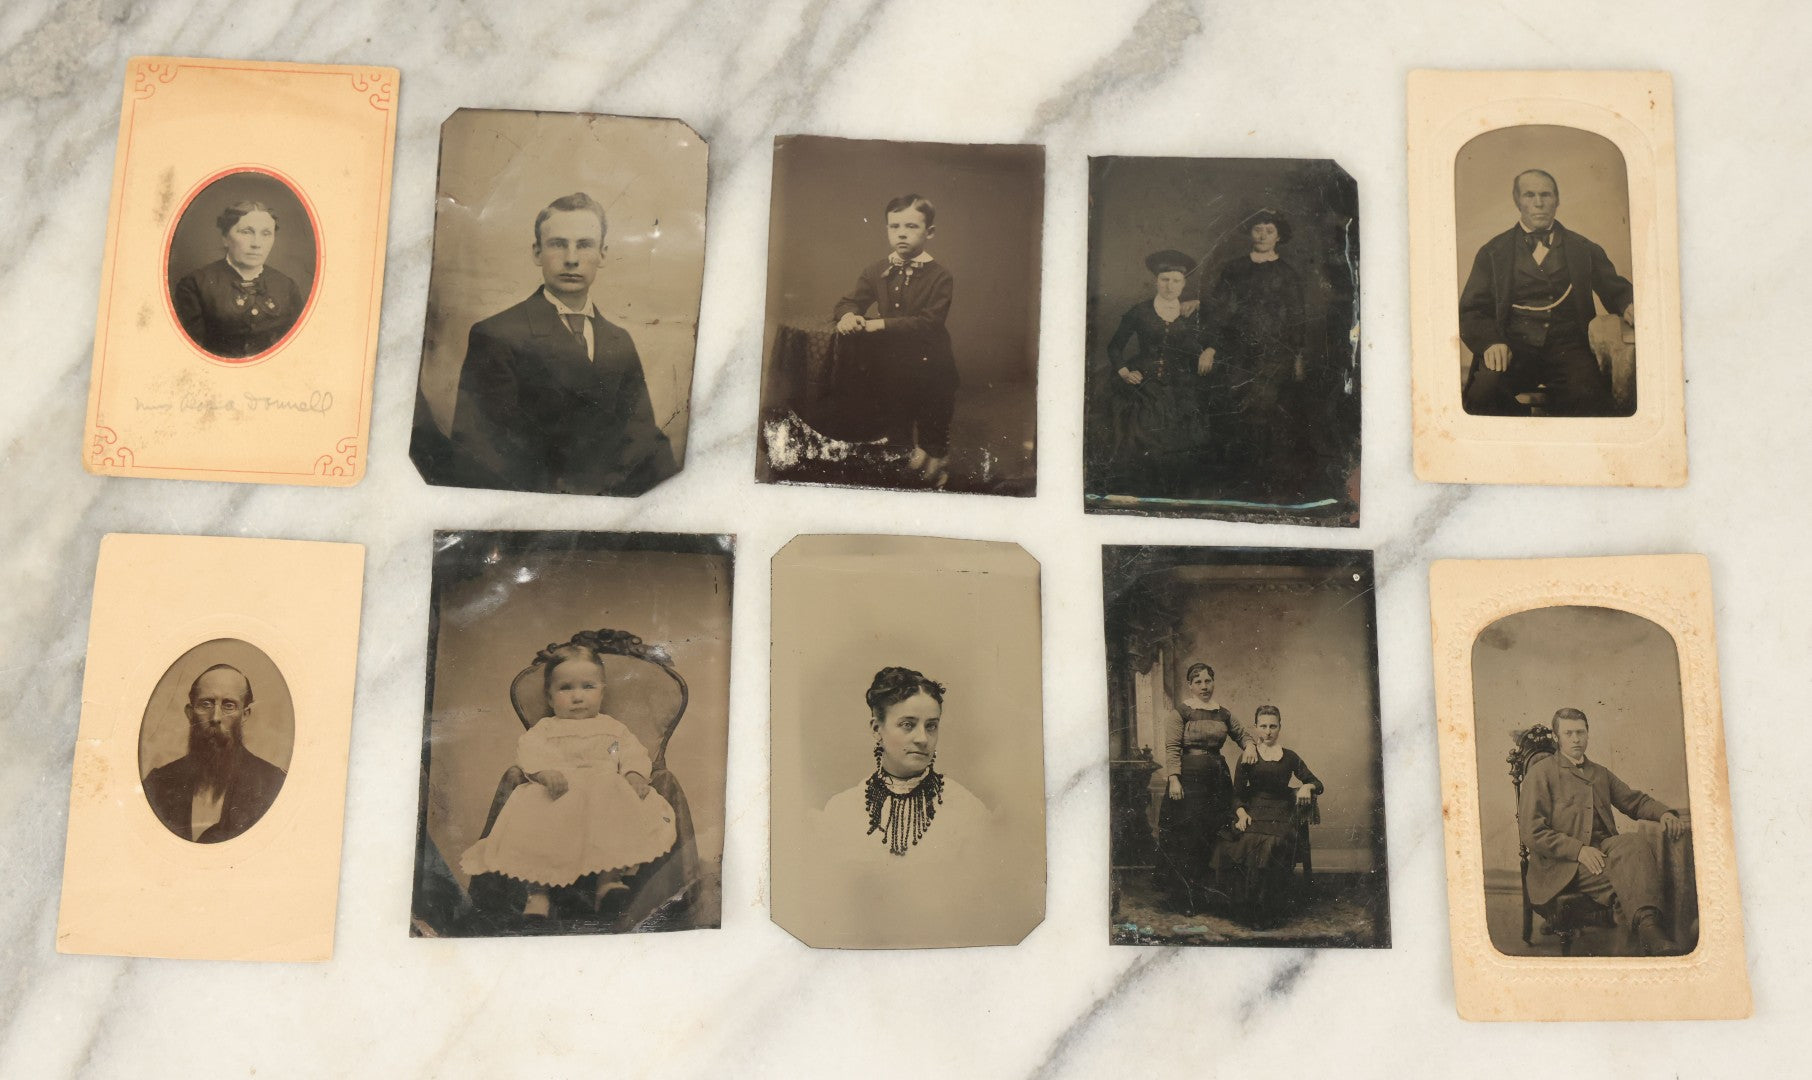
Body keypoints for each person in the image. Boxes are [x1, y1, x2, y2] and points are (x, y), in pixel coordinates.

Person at [445, 192, 679, 495]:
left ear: (603, 254)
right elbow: (481, 452)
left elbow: (644, 442)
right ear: (536, 252)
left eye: (584, 245)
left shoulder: (618, 340)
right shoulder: (497, 335)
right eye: (558, 244)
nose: (571, 258)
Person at [460, 644, 678, 918]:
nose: (577, 697)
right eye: (565, 688)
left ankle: (608, 882)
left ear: (602, 691)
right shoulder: (546, 729)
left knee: (615, 818)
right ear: (550, 698)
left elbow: (632, 753)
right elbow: (530, 752)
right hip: (558, 793)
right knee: (535, 830)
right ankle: (537, 894)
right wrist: (543, 772)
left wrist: (634, 775)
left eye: (588, 687)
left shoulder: (612, 728)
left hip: (601, 795)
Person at [1459, 169, 1635, 416]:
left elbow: (1614, 287)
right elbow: (1471, 310)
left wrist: (1629, 304)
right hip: (1511, 347)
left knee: (1591, 398)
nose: (1539, 203)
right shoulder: (1493, 251)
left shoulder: (1582, 248)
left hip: (1568, 349)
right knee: (1484, 395)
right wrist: (1491, 341)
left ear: (1557, 200)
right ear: (1517, 201)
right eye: (1529, 195)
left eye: (1546, 195)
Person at [1520, 707, 1688, 955]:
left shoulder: (1599, 773)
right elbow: (1532, 832)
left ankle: (1646, 932)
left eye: (1581, 732)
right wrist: (1578, 850)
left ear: (1588, 734)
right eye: (1568, 734)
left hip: (1602, 851)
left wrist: (1664, 813)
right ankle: (1650, 931)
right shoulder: (1540, 774)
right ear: (1557, 738)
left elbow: (1634, 801)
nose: (1576, 739)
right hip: (1561, 864)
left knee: (1635, 843)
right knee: (1628, 878)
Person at [823, 194, 959, 488]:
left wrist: (877, 324)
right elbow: (849, 302)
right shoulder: (875, 271)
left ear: (929, 233)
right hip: (891, 367)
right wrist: (848, 316)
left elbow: (928, 323)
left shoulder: (940, 277)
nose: (901, 233)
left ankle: (935, 484)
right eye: (894, 226)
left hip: (932, 368)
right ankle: (902, 486)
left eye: (911, 226)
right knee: (896, 426)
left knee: (933, 428)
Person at [819, 666, 989, 860]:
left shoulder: (965, 810)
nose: (923, 739)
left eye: (931, 726)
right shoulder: (843, 811)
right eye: (907, 725)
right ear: (877, 729)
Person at [1199, 210, 1308, 484]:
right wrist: (1211, 346)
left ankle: (1261, 476)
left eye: (1269, 230)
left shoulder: (1288, 274)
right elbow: (1218, 309)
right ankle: (1233, 476)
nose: (1262, 235)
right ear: (1250, 233)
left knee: (1264, 408)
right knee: (1234, 406)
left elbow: (1296, 317)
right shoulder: (1233, 269)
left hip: (1274, 354)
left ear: (1279, 236)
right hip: (1235, 351)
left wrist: (1296, 355)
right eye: (1258, 229)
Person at [1102, 249, 1215, 494]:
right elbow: (1115, 347)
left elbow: (1213, 336)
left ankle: (1173, 494)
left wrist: (1210, 351)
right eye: (1165, 280)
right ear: (1156, 281)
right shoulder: (1140, 311)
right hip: (1144, 383)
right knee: (1144, 432)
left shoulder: (1191, 312)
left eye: (1176, 281)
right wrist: (1124, 372)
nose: (1170, 286)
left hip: (1181, 385)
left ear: (1184, 283)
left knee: (1183, 439)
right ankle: (1145, 491)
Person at [142, 664, 287, 843]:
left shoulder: (271, 784)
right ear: (190, 713)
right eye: (206, 704)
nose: (216, 717)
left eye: (228, 705)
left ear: (245, 715)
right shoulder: (158, 784)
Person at [1156, 662, 1258, 913]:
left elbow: (1243, 734)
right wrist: (1174, 778)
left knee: (1213, 835)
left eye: (1208, 681)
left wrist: (1251, 746)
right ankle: (1186, 898)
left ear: (1213, 683)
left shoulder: (1223, 713)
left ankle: (1211, 895)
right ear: (1190, 685)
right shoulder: (1181, 712)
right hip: (1189, 783)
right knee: (1191, 838)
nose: (1204, 686)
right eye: (1198, 681)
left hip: (1216, 781)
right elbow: (1172, 748)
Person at [1212, 705, 1323, 926]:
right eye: (1263, 726)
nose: (1268, 731)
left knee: (1272, 844)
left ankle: (1267, 910)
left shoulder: (1290, 757)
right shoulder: (1248, 756)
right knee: (1247, 841)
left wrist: (1306, 787)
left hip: (1282, 811)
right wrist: (1241, 814)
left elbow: (1318, 784)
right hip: (1254, 810)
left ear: (1280, 727)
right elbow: (1237, 795)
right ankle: (1248, 909)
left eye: (1273, 726)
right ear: (1256, 728)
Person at [171, 200, 306, 359]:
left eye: (266, 233)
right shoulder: (195, 285)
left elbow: (299, 350)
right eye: (246, 232)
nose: (257, 244)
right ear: (225, 238)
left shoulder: (286, 286)